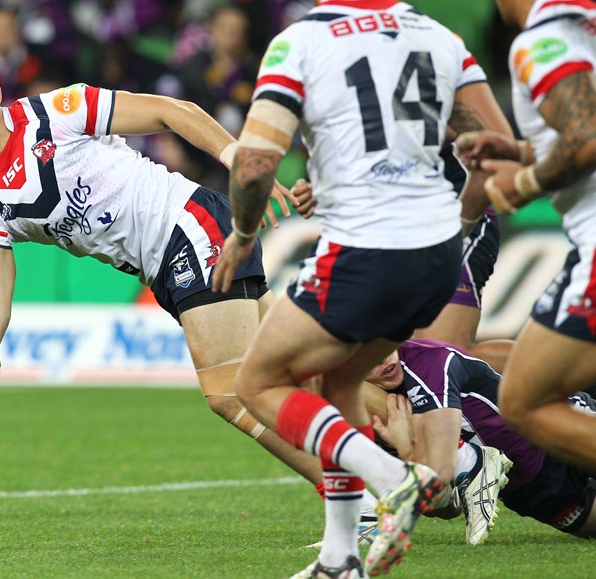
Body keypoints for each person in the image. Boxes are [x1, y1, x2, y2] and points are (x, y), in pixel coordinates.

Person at [0, 47, 339, 513]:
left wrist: (237, 157)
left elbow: (167, 110)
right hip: (165, 267)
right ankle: (413, 440)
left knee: (230, 393)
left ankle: (352, 496)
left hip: (188, 224)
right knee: (298, 370)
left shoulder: (55, 112)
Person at [211, 2, 508, 576]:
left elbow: (252, 166)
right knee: (340, 382)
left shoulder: (301, 41)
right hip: (440, 254)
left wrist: (243, 234)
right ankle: (339, 555)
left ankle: (397, 479)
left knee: (256, 382)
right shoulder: (439, 36)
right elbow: (497, 144)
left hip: (366, 251)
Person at [456, 0, 596, 471]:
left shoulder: (545, 39)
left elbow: (588, 137)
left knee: (526, 402)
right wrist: (519, 150)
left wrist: (525, 182)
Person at [365, 338, 596, 539]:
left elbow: (441, 470)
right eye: (365, 354)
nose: (382, 359)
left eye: (380, 343)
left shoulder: (430, 361)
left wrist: (410, 449)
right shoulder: (377, 424)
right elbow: (447, 508)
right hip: (538, 493)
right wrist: (404, 448)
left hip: (558, 432)